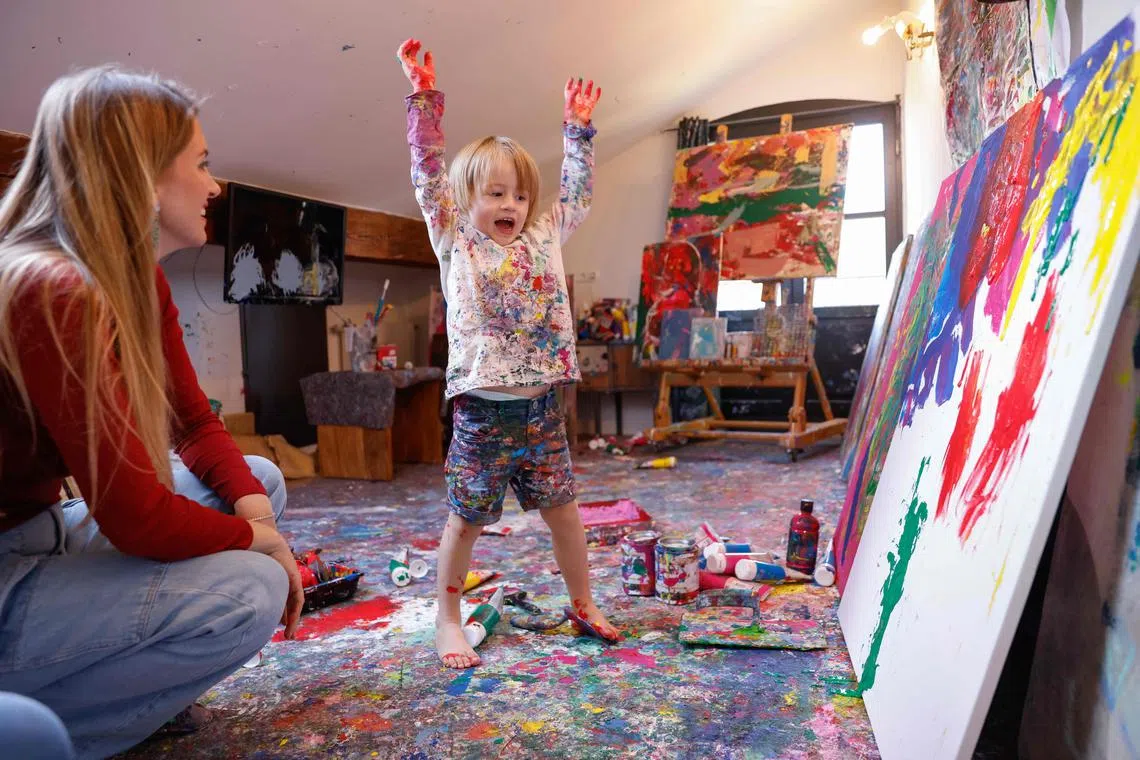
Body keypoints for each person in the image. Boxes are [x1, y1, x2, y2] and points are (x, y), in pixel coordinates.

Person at [0, 66, 304, 758]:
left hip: (42, 529)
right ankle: (41, 732)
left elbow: (193, 425)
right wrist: (265, 548)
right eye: (200, 164)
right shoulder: (52, 289)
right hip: (7, 563)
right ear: (139, 176)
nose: (215, 186)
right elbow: (133, 516)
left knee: (259, 483)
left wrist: (259, 522)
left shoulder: (133, 278)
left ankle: (74, 688)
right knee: (249, 589)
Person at [397, 38, 619, 669]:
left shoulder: (544, 237)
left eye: (519, 195)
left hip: (542, 410)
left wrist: (578, 132)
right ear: (468, 202)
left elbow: (575, 196)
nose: (510, 206)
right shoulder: (454, 238)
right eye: (495, 194)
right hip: (481, 415)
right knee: (464, 523)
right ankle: (446, 619)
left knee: (566, 515)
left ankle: (583, 602)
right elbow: (425, 170)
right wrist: (424, 99)